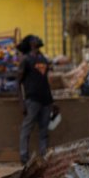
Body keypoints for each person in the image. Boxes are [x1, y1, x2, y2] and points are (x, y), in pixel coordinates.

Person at [16, 34, 53, 165]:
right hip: (32, 99)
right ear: (31, 44)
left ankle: (44, 157)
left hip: (46, 99)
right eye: (34, 39)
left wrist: (52, 100)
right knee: (27, 128)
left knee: (44, 130)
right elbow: (18, 82)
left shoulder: (43, 59)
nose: (38, 39)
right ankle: (23, 156)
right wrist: (22, 103)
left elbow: (46, 80)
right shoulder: (26, 60)